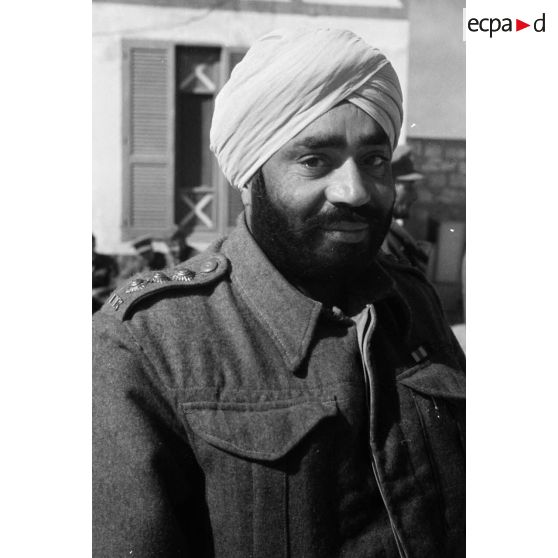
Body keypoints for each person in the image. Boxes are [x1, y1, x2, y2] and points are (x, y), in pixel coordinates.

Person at [93, 28, 465, 558]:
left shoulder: (410, 301)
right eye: (315, 161)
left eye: (374, 160)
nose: (355, 190)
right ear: (251, 178)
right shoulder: (149, 346)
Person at [382, 145, 431, 273]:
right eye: (408, 188)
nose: (415, 196)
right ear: (386, 186)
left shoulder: (390, 233)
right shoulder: (379, 239)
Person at [92, 234, 118, 313]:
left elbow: (115, 284)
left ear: (94, 243)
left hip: (104, 299)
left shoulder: (108, 261)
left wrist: (99, 291)